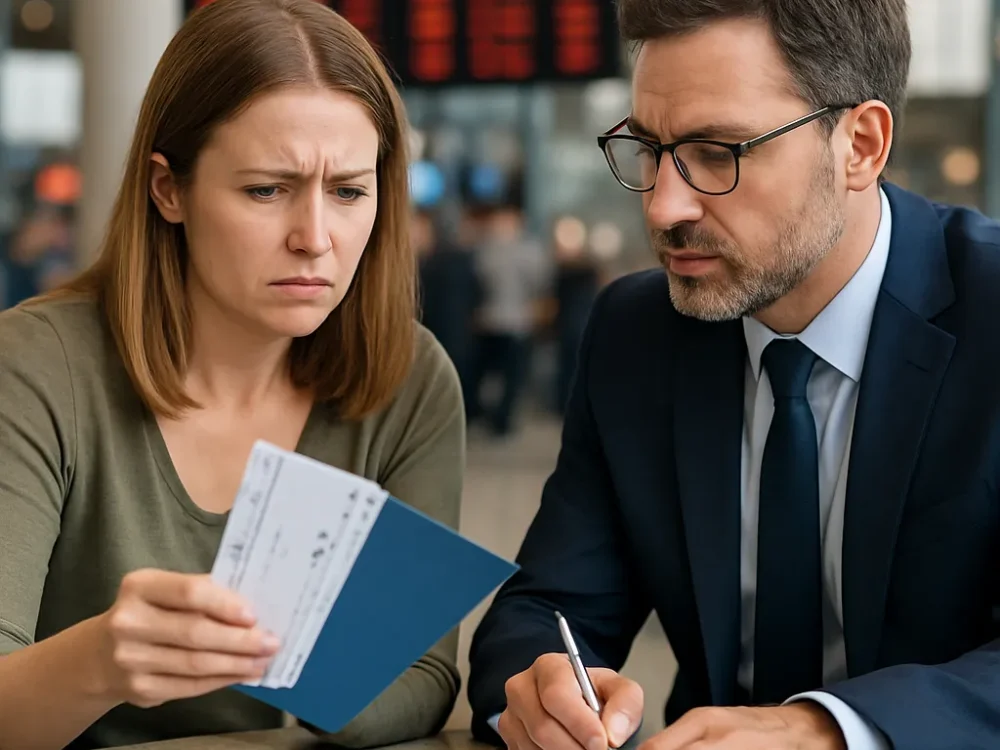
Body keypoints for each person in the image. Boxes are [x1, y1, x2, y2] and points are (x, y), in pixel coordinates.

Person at [467, 1, 1000, 749]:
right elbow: (546, 608)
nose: (664, 207)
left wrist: (826, 731)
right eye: (649, 149)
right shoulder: (636, 332)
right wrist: (546, 689)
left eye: (718, 153)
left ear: (860, 145)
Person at [0, 1, 465, 748]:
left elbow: (423, 675)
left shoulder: (409, 378)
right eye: (266, 190)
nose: (315, 238)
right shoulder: (35, 366)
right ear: (168, 190)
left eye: (348, 191)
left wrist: (322, 675)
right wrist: (100, 662)